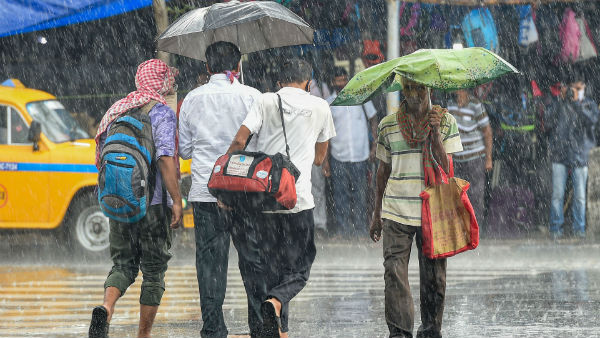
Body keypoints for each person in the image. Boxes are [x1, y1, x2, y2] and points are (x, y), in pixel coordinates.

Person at [227, 58, 336, 338]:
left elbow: (240, 141)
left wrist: (226, 171)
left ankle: (279, 327)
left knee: (272, 269)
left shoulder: (265, 101)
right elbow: (319, 159)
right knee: (299, 267)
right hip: (298, 201)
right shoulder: (321, 106)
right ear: (309, 83)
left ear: (278, 82)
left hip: (264, 201)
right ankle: (274, 304)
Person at [89, 59, 182, 338]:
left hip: (119, 201)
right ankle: (143, 334)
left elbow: (101, 157)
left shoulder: (117, 110)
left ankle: (106, 308)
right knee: (153, 272)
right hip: (152, 206)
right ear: (161, 83)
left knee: (122, 265)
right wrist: (176, 200)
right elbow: (165, 159)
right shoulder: (161, 113)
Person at [178, 41, 262, 338]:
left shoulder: (191, 99)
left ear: (207, 67)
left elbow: (185, 150)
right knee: (253, 260)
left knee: (210, 265)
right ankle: (260, 325)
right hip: (246, 193)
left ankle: (213, 328)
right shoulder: (253, 96)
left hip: (205, 192)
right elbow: (262, 145)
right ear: (238, 66)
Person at [370, 77, 462, 338]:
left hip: (433, 210)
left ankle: (431, 330)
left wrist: (434, 133)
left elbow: (446, 168)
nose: (415, 94)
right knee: (394, 273)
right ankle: (400, 333)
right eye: (409, 87)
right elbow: (382, 171)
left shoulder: (445, 122)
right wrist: (376, 213)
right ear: (403, 90)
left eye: (421, 87)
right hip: (396, 210)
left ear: (429, 88)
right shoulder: (388, 125)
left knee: (434, 278)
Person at [323, 66, 378, 238]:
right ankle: (343, 229)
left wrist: (375, 144)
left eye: (344, 80)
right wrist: (325, 161)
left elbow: (374, 119)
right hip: (338, 156)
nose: (342, 83)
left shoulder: (361, 98)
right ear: (333, 83)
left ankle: (361, 229)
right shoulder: (329, 104)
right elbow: (325, 133)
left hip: (360, 156)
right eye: (338, 81)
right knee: (340, 196)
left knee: (361, 194)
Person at [544, 75, 599, 240]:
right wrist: (560, 100)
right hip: (560, 153)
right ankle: (555, 229)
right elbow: (547, 121)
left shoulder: (589, 104)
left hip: (580, 154)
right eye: (572, 88)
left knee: (580, 196)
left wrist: (577, 104)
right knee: (557, 195)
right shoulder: (559, 103)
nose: (575, 92)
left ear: (584, 88)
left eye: (578, 89)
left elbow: (592, 122)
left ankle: (579, 229)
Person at [447, 89, 493, 225]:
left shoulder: (476, 105)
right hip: (457, 158)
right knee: (457, 194)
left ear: (466, 90)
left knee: (476, 194)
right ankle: (461, 227)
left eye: (460, 88)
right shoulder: (450, 105)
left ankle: (475, 226)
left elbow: (487, 132)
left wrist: (488, 158)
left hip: (475, 158)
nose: (457, 91)